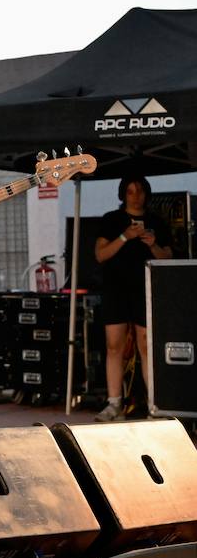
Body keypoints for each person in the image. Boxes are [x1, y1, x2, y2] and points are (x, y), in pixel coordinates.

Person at [93, 174, 172, 421]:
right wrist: (126, 236)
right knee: (114, 346)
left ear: (147, 193)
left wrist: (152, 244)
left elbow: (168, 258)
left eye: (139, 190)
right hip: (116, 289)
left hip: (145, 289)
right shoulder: (111, 220)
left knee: (146, 344)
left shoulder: (156, 222)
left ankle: (153, 405)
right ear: (123, 194)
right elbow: (101, 255)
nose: (136, 195)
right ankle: (114, 402)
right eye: (130, 191)